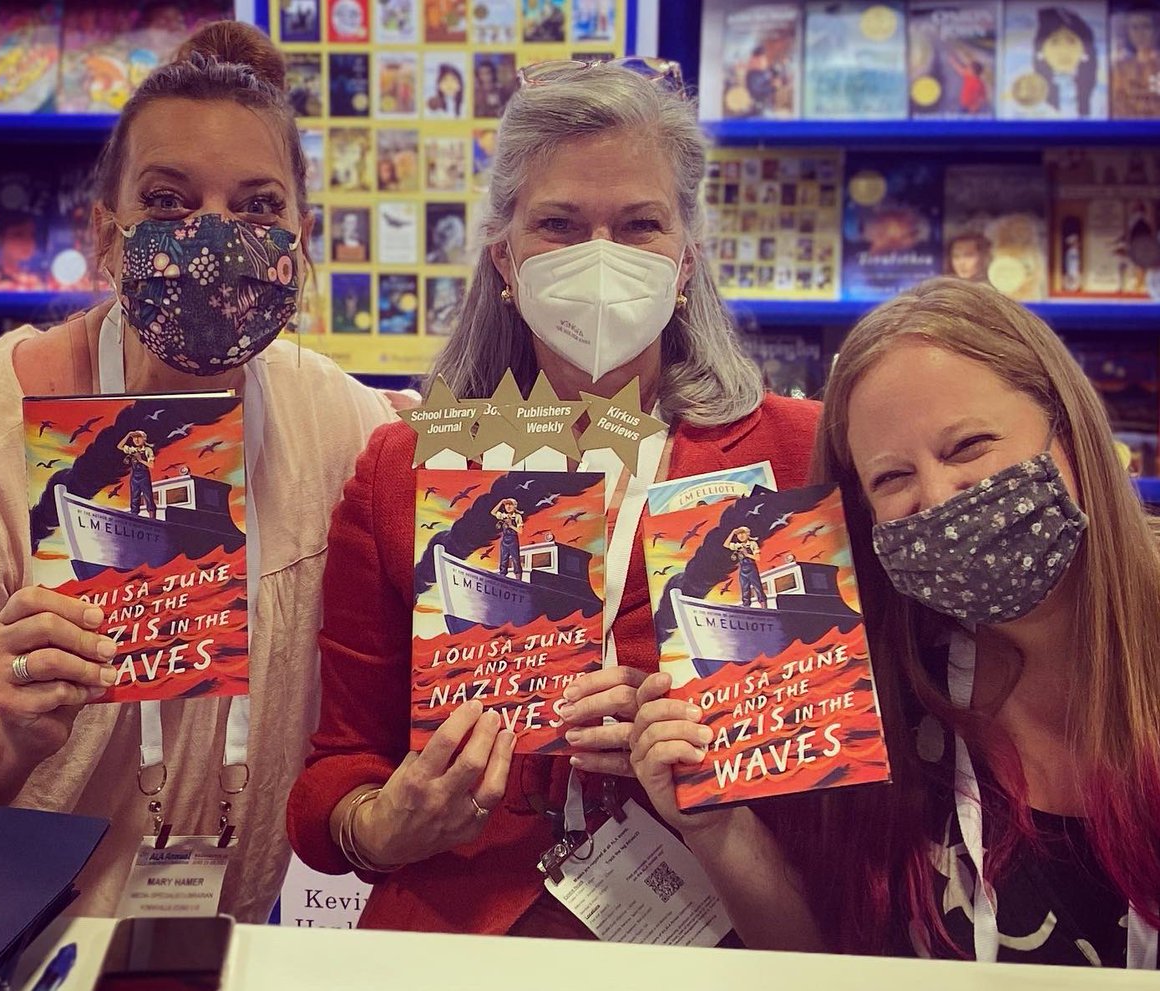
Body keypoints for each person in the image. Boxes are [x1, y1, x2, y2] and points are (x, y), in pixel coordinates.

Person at [286, 59, 821, 937]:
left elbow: (850, 781)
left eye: (640, 224)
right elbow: (333, 774)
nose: (600, 257)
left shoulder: (794, 453)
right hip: (456, 931)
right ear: (506, 259)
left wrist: (712, 759)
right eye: (560, 225)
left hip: (715, 930)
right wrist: (382, 825)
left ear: (686, 261)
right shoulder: (406, 467)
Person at [0, 21, 398, 922]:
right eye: (167, 201)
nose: (213, 239)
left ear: (300, 235)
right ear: (105, 232)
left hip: (238, 933)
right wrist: (4, 733)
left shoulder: (336, 420)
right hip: (22, 940)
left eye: (257, 206)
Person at [631, 277, 1160, 967]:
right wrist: (718, 824)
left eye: (969, 445)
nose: (938, 498)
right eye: (892, 478)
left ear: (1069, 434)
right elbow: (831, 962)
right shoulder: (893, 693)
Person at [1033, 6, 1099, 118]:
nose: (1063, 51)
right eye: (1055, 43)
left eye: (1071, 42)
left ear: (1085, 50)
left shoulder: (1098, 95)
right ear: (1042, 51)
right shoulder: (1034, 98)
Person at [117, 429, 157, 516]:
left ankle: (152, 519)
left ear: (144, 439)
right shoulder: (132, 450)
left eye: (139, 437)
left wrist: (140, 460)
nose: (136, 440)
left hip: (144, 476)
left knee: (148, 497)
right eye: (134, 438)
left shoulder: (148, 450)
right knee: (134, 499)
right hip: (134, 477)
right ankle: (134, 518)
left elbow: (151, 465)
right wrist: (128, 435)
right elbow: (119, 446)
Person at [492, 497, 523, 578]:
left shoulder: (517, 516)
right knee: (503, 560)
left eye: (510, 505)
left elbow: (520, 531)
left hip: (513, 540)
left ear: (514, 506)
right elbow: (493, 512)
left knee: (516, 560)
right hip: (504, 541)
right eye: (506, 505)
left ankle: (518, 580)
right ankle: (502, 578)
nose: (508, 507)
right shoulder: (503, 516)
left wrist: (511, 525)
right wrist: (501, 502)